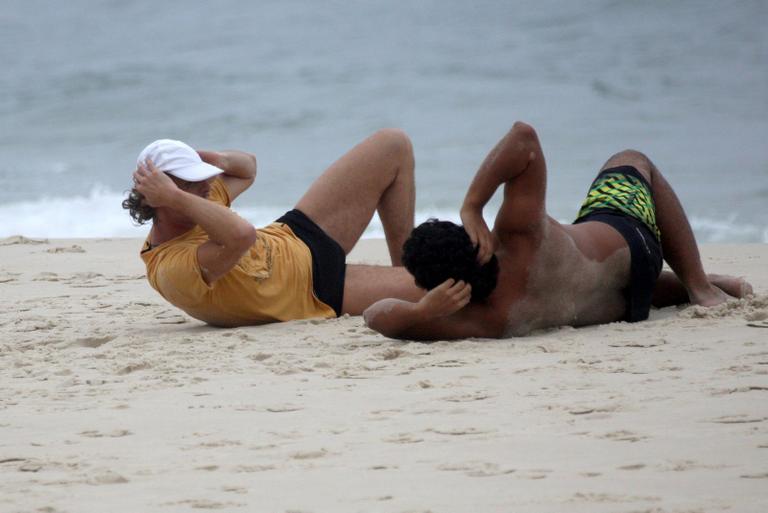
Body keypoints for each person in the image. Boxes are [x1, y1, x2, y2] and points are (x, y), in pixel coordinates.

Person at [363, 122, 753, 340]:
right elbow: (524, 139)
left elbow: (375, 316)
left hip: (623, 301)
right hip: (634, 246)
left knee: (598, 284)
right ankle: (700, 285)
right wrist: (473, 205)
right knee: (633, 160)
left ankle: (704, 284)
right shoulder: (519, 235)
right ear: (470, 238)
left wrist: (421, 310)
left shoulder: (483, 320)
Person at [124, 130, 422, 327]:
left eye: (203, 179)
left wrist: (209, 161)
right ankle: (410, 282)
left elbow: (247, 169)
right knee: (433, 285)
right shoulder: (169, 268)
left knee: (393, 144)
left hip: (296, 234)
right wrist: (175, 196)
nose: (206, 187)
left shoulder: (198, 196)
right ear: (158, 196)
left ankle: (407, 266)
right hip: (316, 289)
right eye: (192, 182)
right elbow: (241, 236)